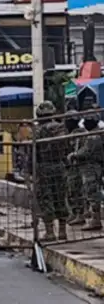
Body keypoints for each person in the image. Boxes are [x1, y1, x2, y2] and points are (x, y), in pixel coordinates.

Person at [33, 100, 69, 241]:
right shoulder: (61, 128)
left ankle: (49, 232)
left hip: (44, 168)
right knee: (60, 196)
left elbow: (34, 153)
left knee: (46, 198)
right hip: (59, 166)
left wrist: (30, 171)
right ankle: (62, 231)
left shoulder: (39, 131)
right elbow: (67, 147)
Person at [68, 112, 104, 231]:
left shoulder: (94, 136)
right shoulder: (91, 134)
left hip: (92, 167)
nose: (86, 122)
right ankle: (91, 218)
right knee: (88, 192)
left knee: (92, 193)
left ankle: (96, 219)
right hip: (88, 167)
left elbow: (86, 151)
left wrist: (74, 155)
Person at [65, 111, 87, 226]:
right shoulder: (71, 133)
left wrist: (73, 155)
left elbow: (79, 150)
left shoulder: (80, 133)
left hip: (77, 166)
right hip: (71, 166)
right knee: (70, 190)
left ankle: (80, 214)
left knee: (75, 190)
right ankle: (74, 213)